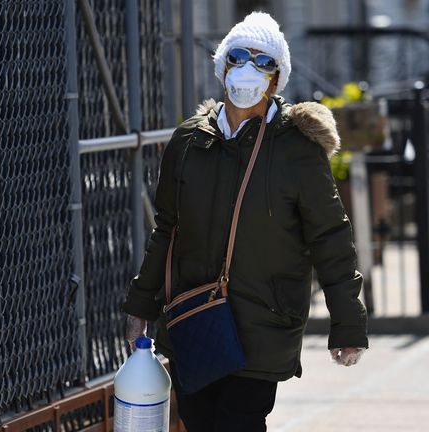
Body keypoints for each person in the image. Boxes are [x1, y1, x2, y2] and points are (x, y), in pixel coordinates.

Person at [122, 11, 368, 432]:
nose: (248, 69)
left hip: (264, 322)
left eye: (263, 61)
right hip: (194, 317)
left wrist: (347, 323)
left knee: (239, 422)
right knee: (200, 421)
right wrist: (141, 305)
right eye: (238, 56)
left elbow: (330, 238)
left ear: (276, 79)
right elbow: (166, 229)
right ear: (223, 68)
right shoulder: (189, 141)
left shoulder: (297, 148)